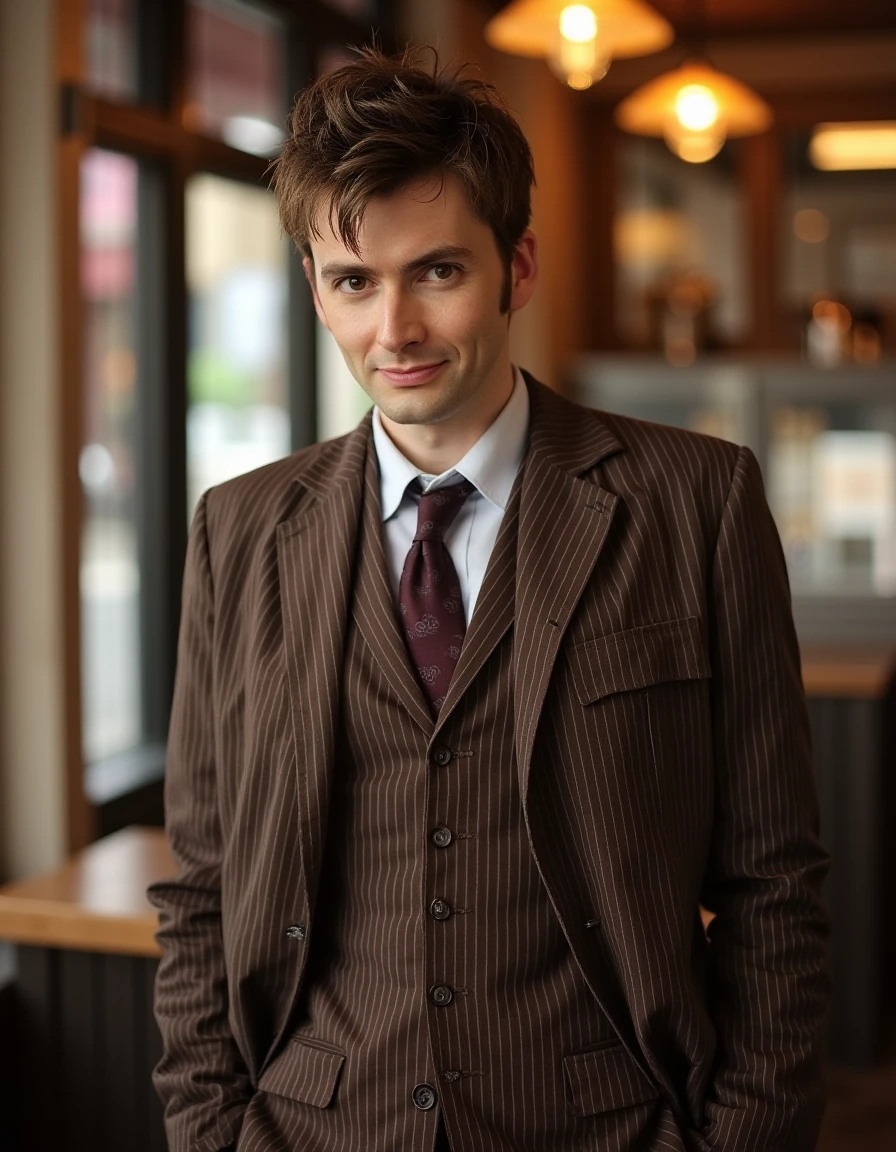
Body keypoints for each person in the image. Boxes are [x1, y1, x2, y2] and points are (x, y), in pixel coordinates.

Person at [149, 47, 830, 1152]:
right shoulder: (239, 530)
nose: (394, 333)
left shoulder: (695, 501)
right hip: (309, 1129)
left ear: (516, 267)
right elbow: (200, 889)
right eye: (352, 282)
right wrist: (212, 1131)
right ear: (315, 289)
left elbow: (773, 888)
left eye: (437, 272)